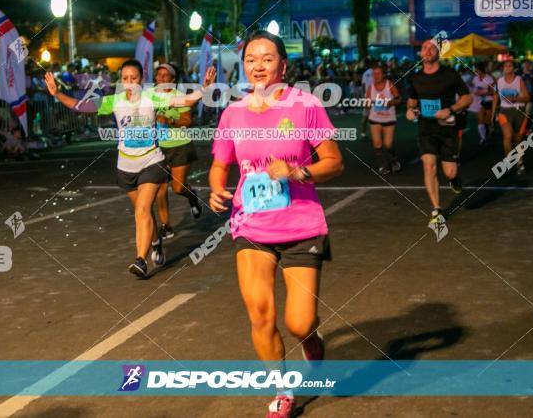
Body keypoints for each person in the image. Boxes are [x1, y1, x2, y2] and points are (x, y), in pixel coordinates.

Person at [208, 31, 343, 418]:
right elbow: (220, 164)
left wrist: (297, 171)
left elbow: (334, 161)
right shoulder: (232, 113)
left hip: (301, 225)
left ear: (283, 66)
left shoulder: (306, 106)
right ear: (243, 66)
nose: (259, 65)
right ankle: (282, 390)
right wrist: (218, 189)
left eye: (267, 58)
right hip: (251, 225)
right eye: (251, 59)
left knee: (299, 321)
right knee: (260, 313)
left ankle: (310, 337)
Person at [46, 60, 215, 278]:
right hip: (126, 167)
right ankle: (155, 242)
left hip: (151, 162)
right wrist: (57, 94)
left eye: (133, 78)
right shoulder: (114, 101)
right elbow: (82, 106)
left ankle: (140, 261)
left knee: (142, 211)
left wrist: (204, 89)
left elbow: (183, 100)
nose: (129, 83)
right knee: (144, 213)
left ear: (141, 79)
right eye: (125, 79)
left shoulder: (152, 97)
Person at [406, 39, 472, 226]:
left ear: (438, 53)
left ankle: (454, 179)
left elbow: (467, 98)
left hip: (447, 128)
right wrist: (411, 110)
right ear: (420, 54)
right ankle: (437, 209)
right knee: (429, 166)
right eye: (424, 47)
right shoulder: (415, 77)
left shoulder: (450, 75)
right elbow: (412, 101)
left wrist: (450, 110)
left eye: (431, 48)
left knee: (450, 171)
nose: (427, 50)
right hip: (426, 128)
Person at [153, 63, 203, 240]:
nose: (161, 78)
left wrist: (169, 120)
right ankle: (166, 226)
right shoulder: (151, 97)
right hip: (158, 147)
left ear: (173, 81)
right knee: (159, 189)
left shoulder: (180, 97)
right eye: (159, 75)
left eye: (165, 76)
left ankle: (192, 197)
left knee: (178, 187)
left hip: (180, 146)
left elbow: (188, 120)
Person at [495, 59, 530, 175]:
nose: (508, 68)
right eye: (506, 66)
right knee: (508, 136)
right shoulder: (499, 81)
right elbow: (495, 96)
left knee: (518, 139)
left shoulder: (519, 80)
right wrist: (492, 113)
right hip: (504, 111)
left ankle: (520, 162)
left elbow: (527, 98)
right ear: (503, 68)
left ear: (514, 68)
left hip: (519, 111)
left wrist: (515, 99)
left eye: (510, 66)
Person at [365, 64, 401, 174]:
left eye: (378, 73)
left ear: (383, 74)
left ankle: (394, 160)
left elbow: (399, 99)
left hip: (388, 119)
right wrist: (368, 103)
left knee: (388, 144)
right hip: (375, 118)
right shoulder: (370, 87)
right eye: (374, 74)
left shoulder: (389, 85)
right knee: (377, 143)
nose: (376, 76)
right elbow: (367, 103)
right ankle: (383, 165)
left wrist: (391, 102)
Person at [470, 63, 495, 144]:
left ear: (481, 70)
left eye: (476, 70)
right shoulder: (475, 78)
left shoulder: (489, 78)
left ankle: (490, 127)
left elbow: (492, 92)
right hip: (479, 101)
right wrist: (474, 91)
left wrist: (483, 92)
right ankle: (483, 137)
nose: (475, 71)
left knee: (487, 120)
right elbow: (473, 88)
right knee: (480, 119)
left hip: (489, 101)